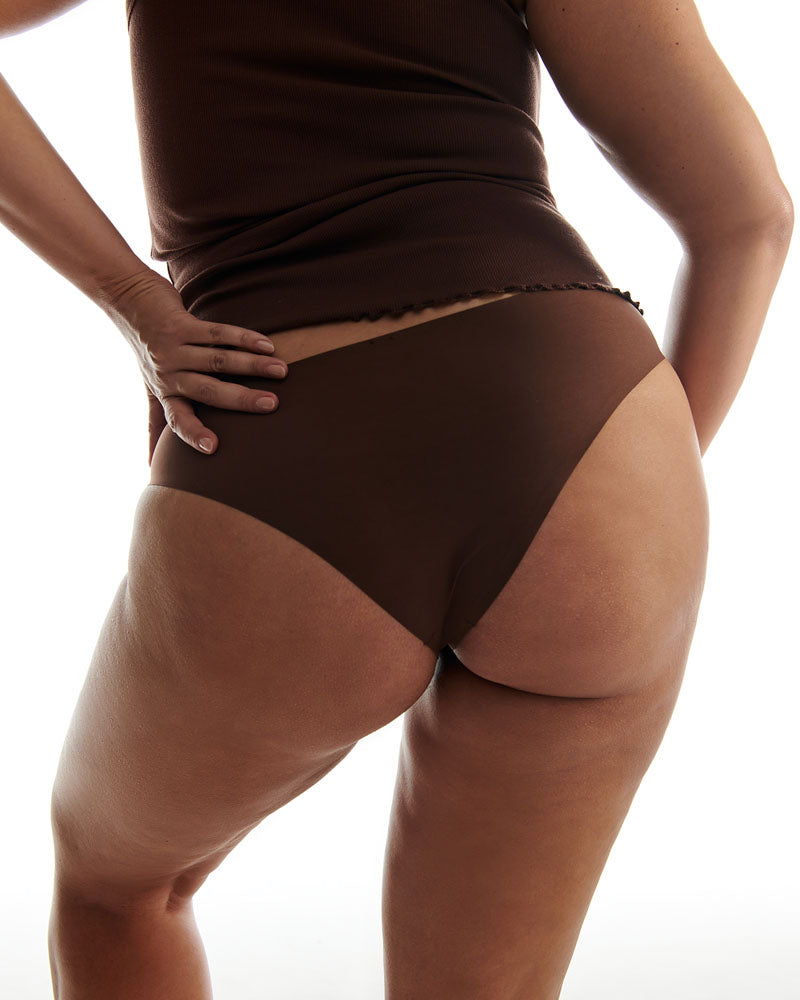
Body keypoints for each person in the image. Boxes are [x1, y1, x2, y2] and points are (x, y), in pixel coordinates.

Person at [0, 0, 792, 997]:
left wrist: (135, 300)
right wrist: (622, 487)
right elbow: (749, 216)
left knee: (117, 888)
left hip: (293, 421)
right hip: (588, 425)